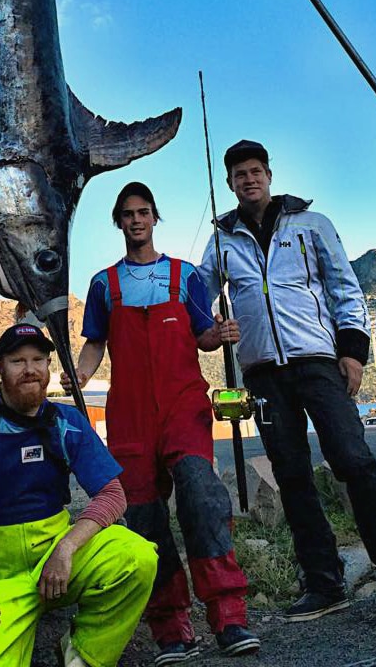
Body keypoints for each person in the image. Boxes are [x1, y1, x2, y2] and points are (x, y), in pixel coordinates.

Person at [199, 139, 376, 623]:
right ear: (229, 182)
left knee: (355, 460)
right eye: (239, 173)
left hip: (319, 362)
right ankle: (325, 583)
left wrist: (351, 353)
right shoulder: (220, 240)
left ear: (269, 174)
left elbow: (344, 286)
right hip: (262, 371)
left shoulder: (311, 223)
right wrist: (211, 327)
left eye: (256, 170)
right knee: (292, 476)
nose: (249, 179)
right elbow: (199, 293)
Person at [64, 182, 259, 664]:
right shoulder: (103, 284)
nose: (136, 220)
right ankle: (171, 627)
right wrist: (79, 374)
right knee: (144, 519)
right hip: (128, 415)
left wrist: (222, 332)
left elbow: (204, 336)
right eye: (128, 214)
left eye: (144, 212)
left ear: (155, 218)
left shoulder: (185, 276)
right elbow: (94, 343)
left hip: (182, 406)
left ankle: (229, 616)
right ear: (118, 222)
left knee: (202, 496)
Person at [0, 322, 157, 667]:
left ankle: (82, 654)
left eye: (38, 359)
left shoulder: (66, 421)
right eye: (17, 361)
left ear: (48, 366)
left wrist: (67, 546)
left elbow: (113, 495)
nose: (30, 370)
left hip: (59, 560)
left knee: (137, 558)